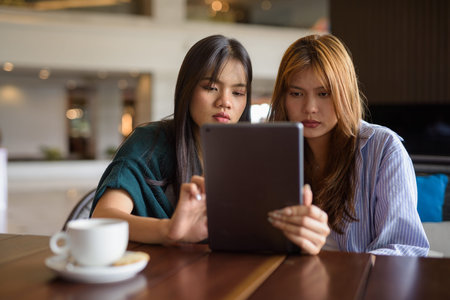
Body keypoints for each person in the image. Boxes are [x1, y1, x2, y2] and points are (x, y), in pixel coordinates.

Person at [267, 34, 429, 256]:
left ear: (345, 93)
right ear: (283, 97)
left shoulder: (383, 148)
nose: (310, 108)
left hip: (358, 286)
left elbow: (405, 249)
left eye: (324, 93)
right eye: (296, 93)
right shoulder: (271, 153)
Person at [91, 34, 253, 245]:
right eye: (211, 88)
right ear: (188, 88)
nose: (226, 102)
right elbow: (104, 217)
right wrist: (168, 230)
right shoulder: (149, 143)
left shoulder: (252, 155)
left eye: (238, 92)